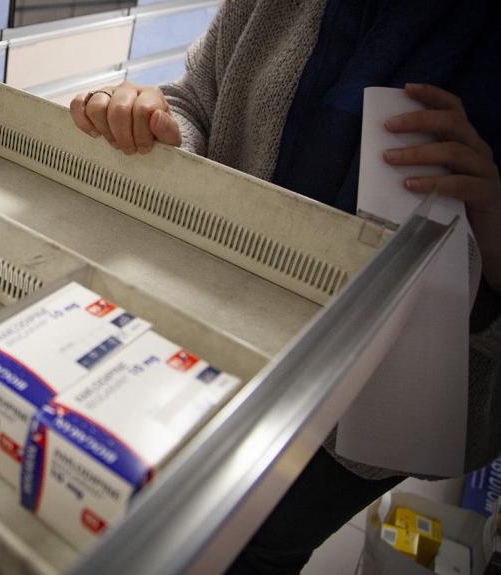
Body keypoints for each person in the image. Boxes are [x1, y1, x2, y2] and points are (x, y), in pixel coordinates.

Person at [68, 1, 501, 573]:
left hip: (367, 416)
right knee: (160, 505)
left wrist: (493, 216)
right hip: (226, 338)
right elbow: (197, 100)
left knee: (259, 545)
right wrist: (156, 127)